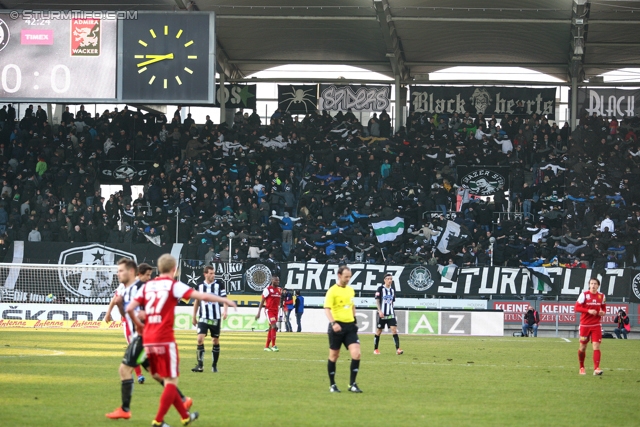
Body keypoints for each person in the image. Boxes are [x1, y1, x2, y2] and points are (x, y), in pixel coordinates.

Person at [127, 254, 237, 427]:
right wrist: (224, 300)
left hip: (147, 338)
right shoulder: (173, 285)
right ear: (174, 270)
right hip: (164, 339)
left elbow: (130, 308)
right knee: (171, 381)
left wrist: (139, 324)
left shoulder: (148, 286)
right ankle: (158, 421)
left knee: (161, 377)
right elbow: (203, 297)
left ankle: (185, 416)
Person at [105, 260, 193, 420]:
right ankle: (183, 401)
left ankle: (125, 409)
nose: (118, 274)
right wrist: (118, 307)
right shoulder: (125, 290)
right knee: (156, 374)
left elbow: (154, 311)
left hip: (143, 338)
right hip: (141, 337)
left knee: (124, 370)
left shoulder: (143, 289)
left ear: (132, 272)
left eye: (121, 271)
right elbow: (127, 315)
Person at [324, 265, 362, 393]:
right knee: (334, 356)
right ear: (339, 275)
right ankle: (332, 385)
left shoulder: (351, 290)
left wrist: (355, 320)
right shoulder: (332, 291)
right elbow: (327, 308)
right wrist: (333, 323)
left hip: (350, 326)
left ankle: (352, 384)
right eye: (346, 277)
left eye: (349, 277)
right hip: (337, 327)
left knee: (356, 354)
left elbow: (352, 305)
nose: (348, 279)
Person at [191, 265, 228, 373]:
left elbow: (224, 299)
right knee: (199, 339)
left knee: (215, 341)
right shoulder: (200, 286)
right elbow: (197, 302)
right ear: (205, 274)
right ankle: (200, 365)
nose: (213, 275)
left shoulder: (219, 285)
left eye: (214, 273)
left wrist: (225, 310)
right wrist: (194, 316)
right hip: (203, 317)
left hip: (215, 317)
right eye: (211, 273)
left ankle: (214, 365)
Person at [574, 278, 606, 376]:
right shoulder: (584, 295)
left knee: (596, 346)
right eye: (591, 283)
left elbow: (604, 309)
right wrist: (588, 311)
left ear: (598, 285)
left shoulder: (602, 296)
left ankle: (596, 368)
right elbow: (576, 307)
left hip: (596, 325)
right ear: (589, 285)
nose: (593, 285)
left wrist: (602, 313)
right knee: (583, 347)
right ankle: (581, 367)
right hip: (585, 325)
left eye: (595, 283)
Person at [373, 273, 403, 355]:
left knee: (394, 330)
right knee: (379, 331)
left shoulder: (392, 290)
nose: (390, 280)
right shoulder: (380, 289)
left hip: (390, 314)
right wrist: (379, 311)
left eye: (391, 279)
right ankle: (375, 349)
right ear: (385, 280)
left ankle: (398, 349)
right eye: (388, 279)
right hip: (382, 314)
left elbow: (392, 302)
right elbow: (377, 300)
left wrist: (392, 310)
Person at [255, 276, 282, 351]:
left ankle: (266, 347)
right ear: (272, 281)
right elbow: (262, 301)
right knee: (274, 326)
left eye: (278, 280)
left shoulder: (279, 290)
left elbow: (279, 301)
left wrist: (279, 307)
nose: (278, 282)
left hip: (276, 311)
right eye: (276, 280)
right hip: (269, 310)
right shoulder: (267, 290)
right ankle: (273, 346)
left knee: (271, 328)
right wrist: (259, 313)